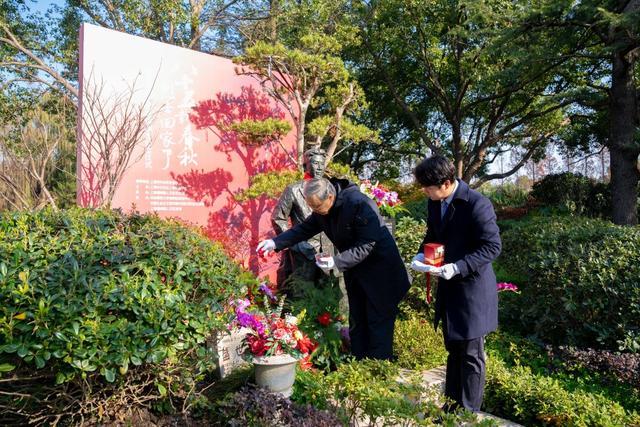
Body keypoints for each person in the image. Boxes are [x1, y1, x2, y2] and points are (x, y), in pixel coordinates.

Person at [258, 177, 410, 360]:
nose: (316, 212)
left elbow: (367, 245)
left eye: (317, 207)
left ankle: (379, 370)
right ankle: (359, 364)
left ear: (330, 196)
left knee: (377, 321)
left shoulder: (359, 203)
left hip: (381, 271)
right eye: (312, 208)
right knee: (358, 319)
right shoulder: (323, 209)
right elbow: (303, 229)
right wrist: (274, 242)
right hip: (356, 269)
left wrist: (336, 262)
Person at [409, 155, 501, 413]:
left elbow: (492, 247)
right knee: (453, 350)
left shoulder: (477, 204)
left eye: (428, 187)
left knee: (471, 354)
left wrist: (458, 266)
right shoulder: (434, 202)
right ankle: (451, 409)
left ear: (447, 183)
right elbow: (433, 234)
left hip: (472, 289)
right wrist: (421, 254)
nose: (425, 192)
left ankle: (468, 413)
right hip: (448, 286)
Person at [271, 147, 332, 290]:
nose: (319, 167)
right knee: (301, 294)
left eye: (322, 164)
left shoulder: (330, 189)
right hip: (302, 253)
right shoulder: (293, 190)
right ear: (306, 165)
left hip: (328, 251)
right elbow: (278, 218)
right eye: (315, 163)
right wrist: (296, 244)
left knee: (327, 294)